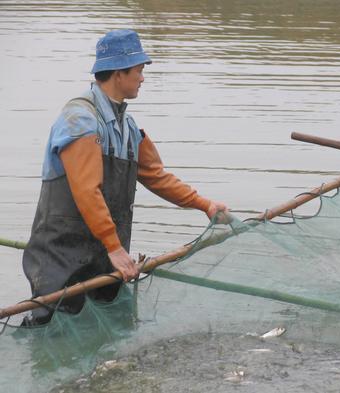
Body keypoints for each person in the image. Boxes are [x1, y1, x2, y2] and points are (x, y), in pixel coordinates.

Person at [21, 29, 228, 325]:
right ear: (119, 73)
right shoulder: (79, 118)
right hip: (62, 257)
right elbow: (86, 190)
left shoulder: (128, 128)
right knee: (53, 331)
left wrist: (204, 204)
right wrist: (115, 247)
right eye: (139, 70)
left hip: (105, 258)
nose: (143, 77)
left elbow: (157, 177)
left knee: (104, 337)